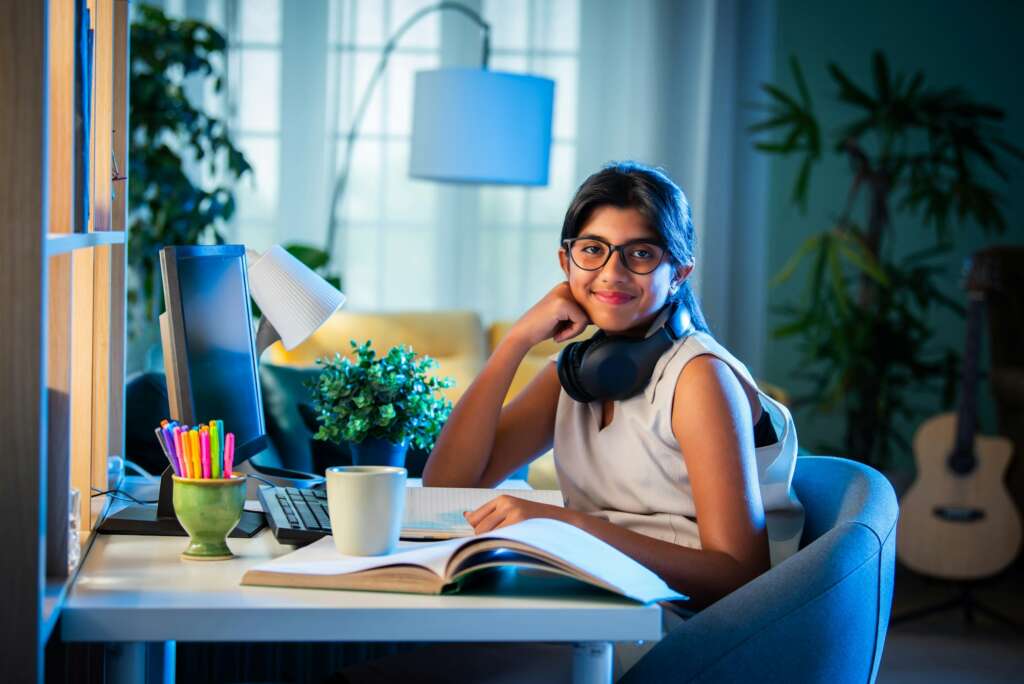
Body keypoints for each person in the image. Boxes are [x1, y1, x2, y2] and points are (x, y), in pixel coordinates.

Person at [336, 162, 803, 683]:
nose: (611, 272)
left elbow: (740, 575)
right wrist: (516, 343)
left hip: (682, 632)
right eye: (592, 249)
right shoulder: (576, 373)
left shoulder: (699, 379)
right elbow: (448, 484)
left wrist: (567, 525)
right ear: (566, 260)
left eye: (641, 254)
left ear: (680, 273)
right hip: (593, 602)